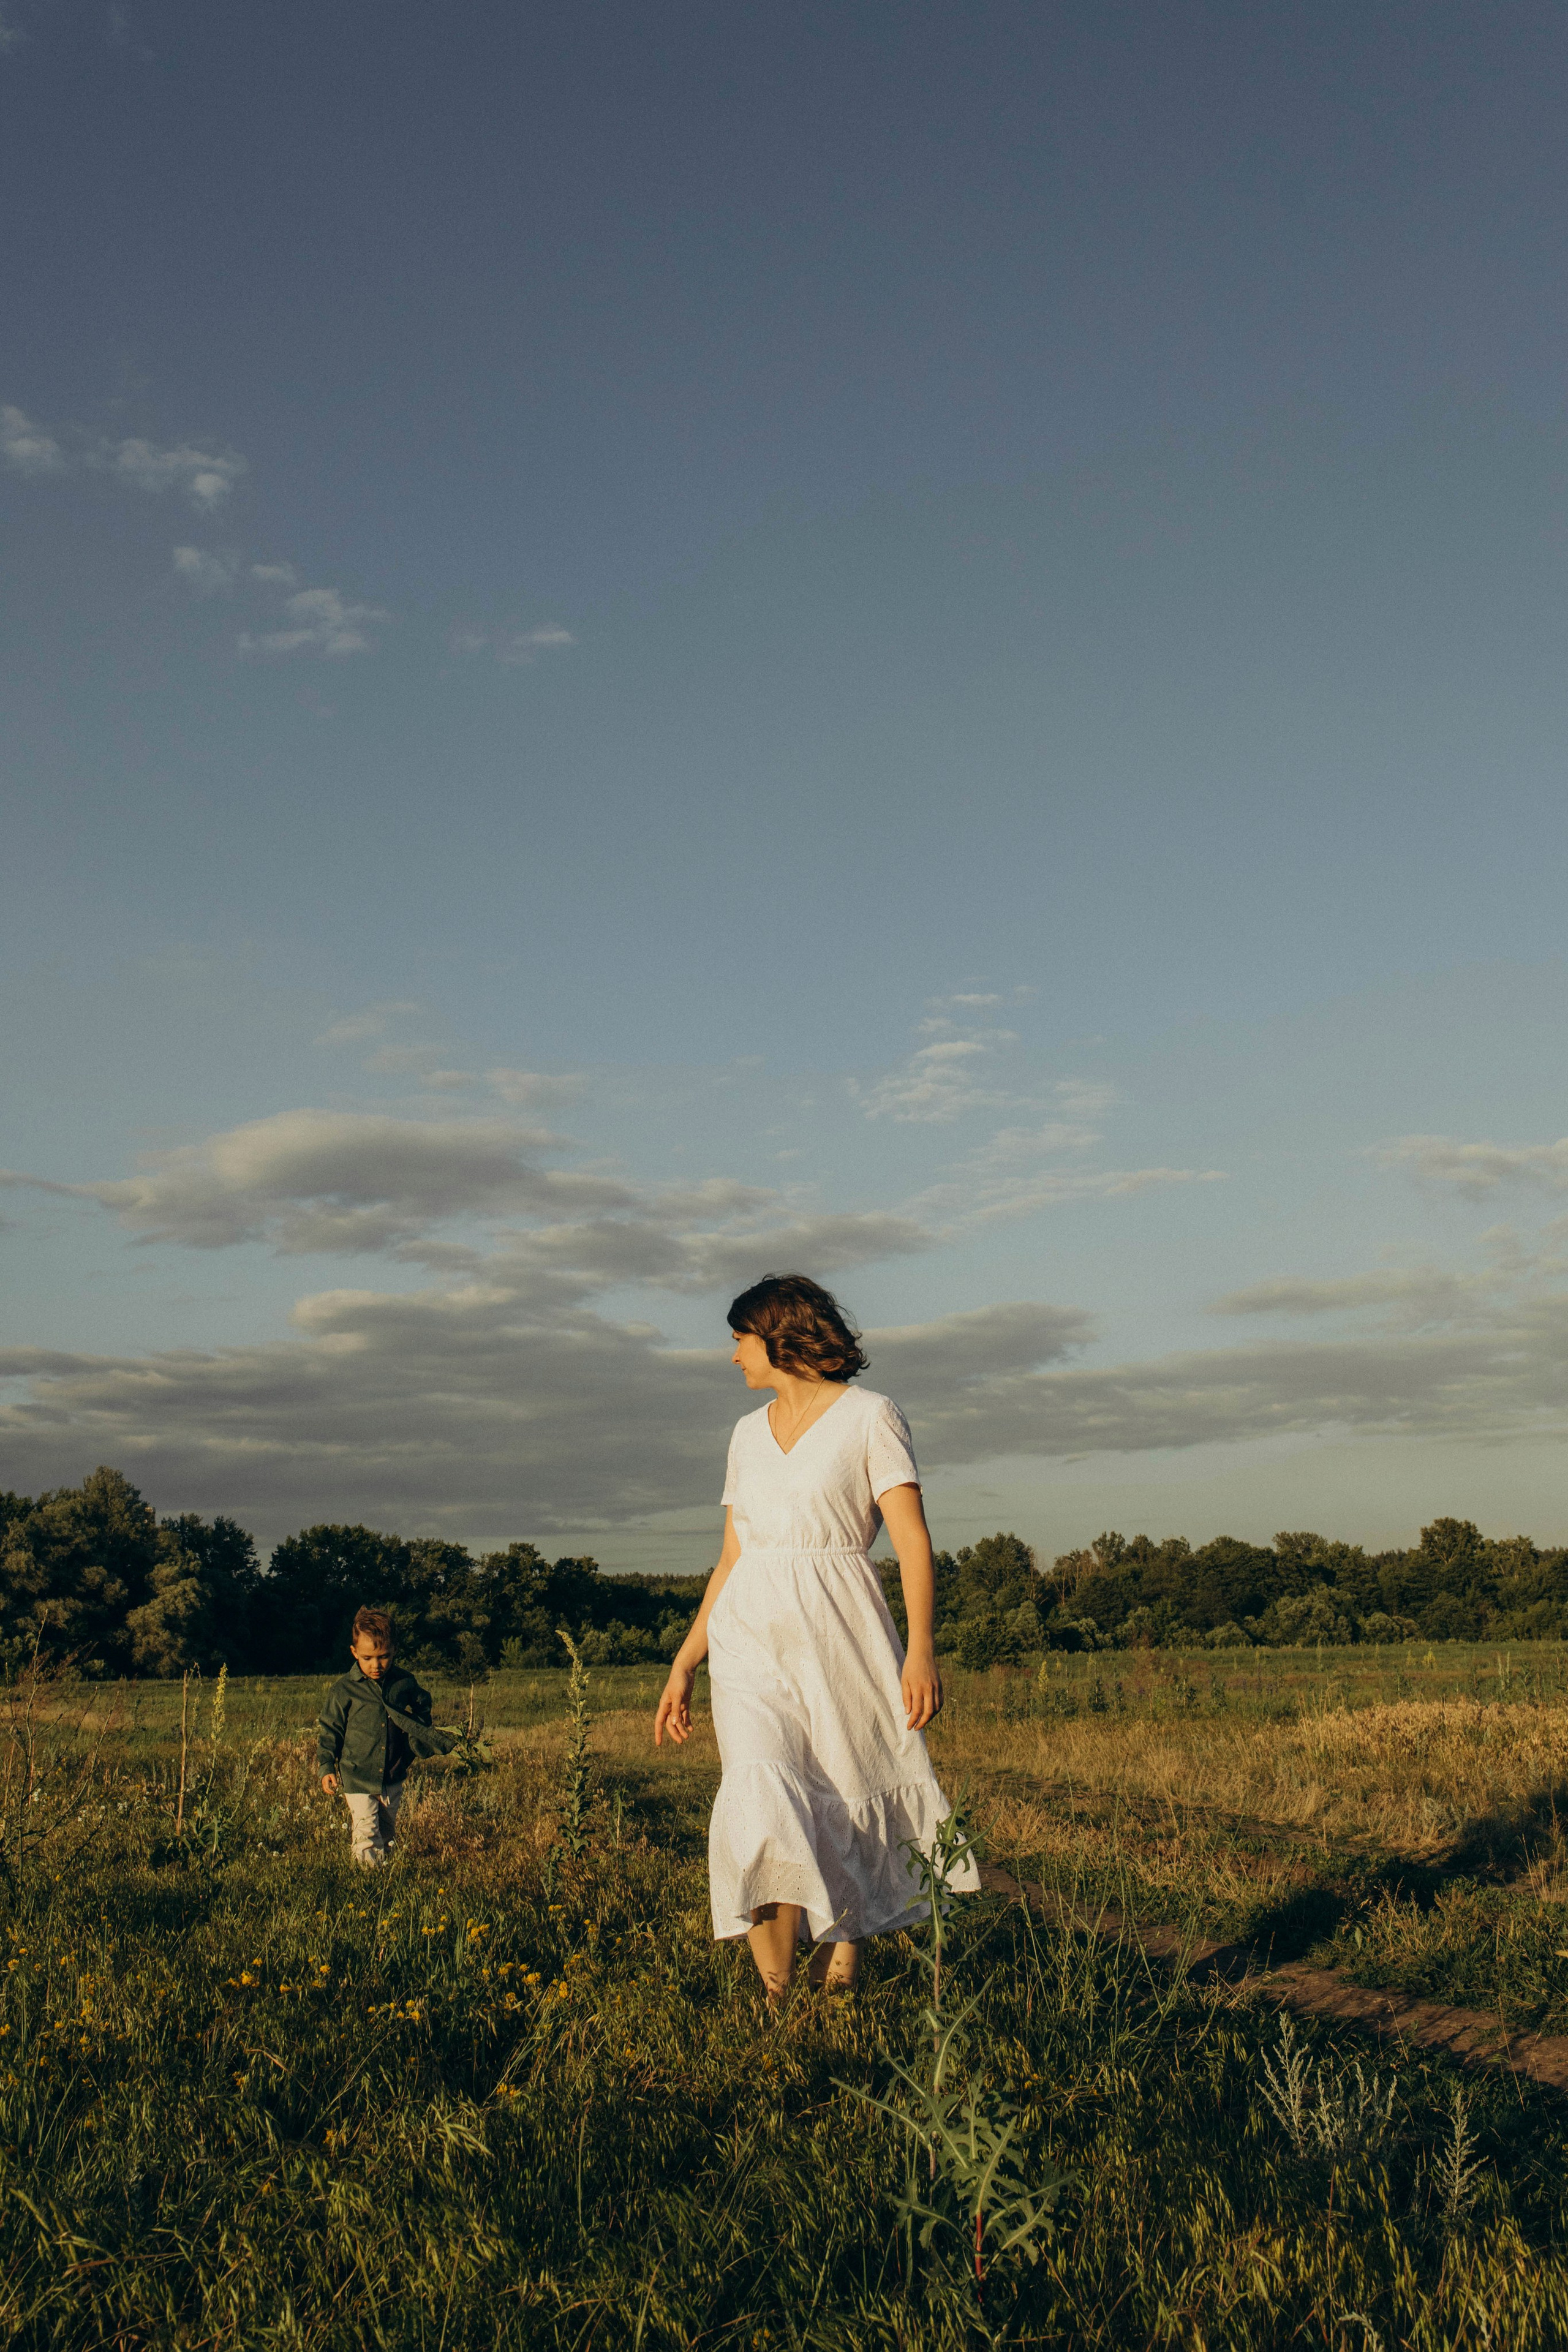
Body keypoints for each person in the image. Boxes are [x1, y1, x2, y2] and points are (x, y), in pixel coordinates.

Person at [654, 1272, 978, 2005]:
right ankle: (776, 2004)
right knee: (760, 1798)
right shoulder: (743, 1435)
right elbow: (733, 1560)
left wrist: (920, 1648)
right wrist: (685, 1663)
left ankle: (841, 1971)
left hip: (838, 1631)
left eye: (739, 1338)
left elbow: (912, 1540)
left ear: (777, 1335)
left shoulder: (871, 1417)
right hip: (747, 1641)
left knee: (843, 1786)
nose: (732, 1355)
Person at [317, 1606, 435, 1866]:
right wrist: (327, 1766)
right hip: (357, 1774)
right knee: (367, 1832)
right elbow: (330, 1730)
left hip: (392, 1774)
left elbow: (423, 1704)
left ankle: (386, 1875)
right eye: (368, 1658)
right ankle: (367, 1883)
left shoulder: (404, 1682)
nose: (376, 1665)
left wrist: (417, 1734)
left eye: (384, 1657)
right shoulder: (344, 1690)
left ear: (394, 1652)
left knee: (387, 1830)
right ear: (354, 1652)